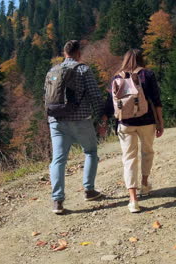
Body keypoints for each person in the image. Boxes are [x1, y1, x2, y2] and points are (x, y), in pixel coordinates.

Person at [45, 40, 105, 214]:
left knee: (58, 160)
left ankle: (57, 201)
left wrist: (50, 120)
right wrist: (102, 117)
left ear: (65, 53)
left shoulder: (52, 70)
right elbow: (94, 95)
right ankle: (89, 190)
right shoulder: (83, 69)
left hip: (56, 121)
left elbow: (47, 97)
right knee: (91, 152)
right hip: (80, 119)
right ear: (79, 53)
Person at [104, 49, 164, 213]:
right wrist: (160, 122)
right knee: (147, 152)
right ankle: (144, 185)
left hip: (125, 123)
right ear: (141, 59)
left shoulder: (117, 77)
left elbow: (111, 104)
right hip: (147, 120)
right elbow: (156, 100)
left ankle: (133, 200)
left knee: (129, 159)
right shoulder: (147, 74)